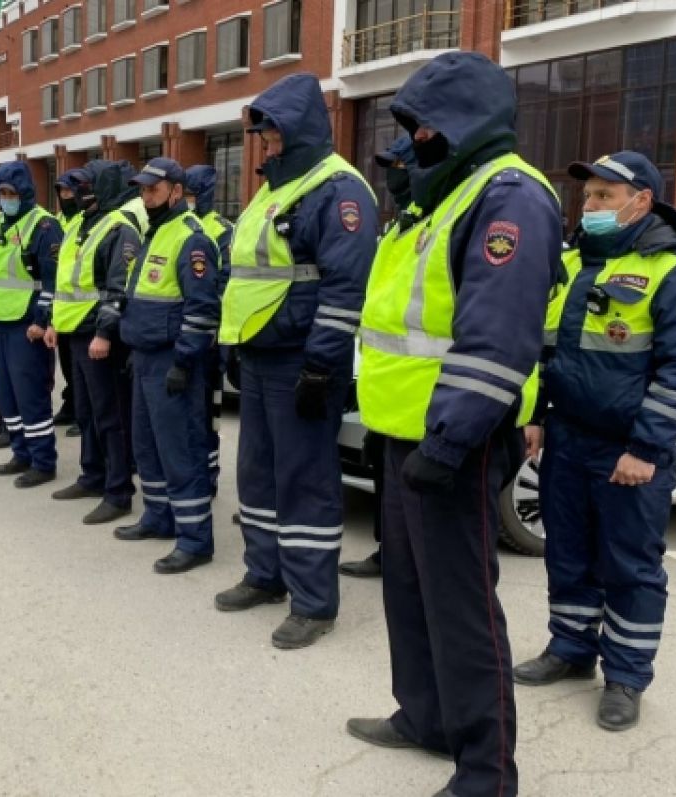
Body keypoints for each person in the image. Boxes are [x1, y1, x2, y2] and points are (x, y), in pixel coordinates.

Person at [349, 52, 563, 797]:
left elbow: (495, 339)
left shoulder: (510, 196)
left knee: (462, 609)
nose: (414, 140)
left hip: (457, 444)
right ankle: (425, 716)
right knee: (408, 590)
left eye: (423, 125)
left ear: (466, 121)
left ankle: (485, 772)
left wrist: (448, 440)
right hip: (406, 434)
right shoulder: (446, 196)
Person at [513, 152, 676, 732]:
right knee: (567, 553)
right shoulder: (577, 264)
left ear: (641, 201)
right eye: (589, 196)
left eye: (604, 196)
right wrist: (538, 414)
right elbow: (552, 350)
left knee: (629, 567)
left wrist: (645, 450)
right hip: (568, 441)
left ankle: (626, 676)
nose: (590, 206)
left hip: (628, 449)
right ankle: (571, 648)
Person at [213, 73, 379, 650]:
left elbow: (344, 288)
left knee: (305, 480)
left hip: (302, 358)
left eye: (275, 132)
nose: (266, 143)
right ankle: (265, 574)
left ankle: (312, 603)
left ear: (301, 127)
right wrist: (235, 345)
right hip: (261, 353)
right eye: (262, 133)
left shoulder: (340, 188)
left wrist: (321, 365)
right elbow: (250, 276)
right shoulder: (275, 188)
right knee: (257, 474)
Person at [116, 158, 220, 574]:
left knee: (181, 450)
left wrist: (183, 361)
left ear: (176, 191)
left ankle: (195, 539)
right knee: (147, 445)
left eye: (153, 191)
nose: (146, 197)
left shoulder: (191, 239)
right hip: (144, 357)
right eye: (142, 191)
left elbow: (201, 308)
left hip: (173, 362)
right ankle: (158, 517)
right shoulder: (153, 232)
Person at [339, 134, 418, 580]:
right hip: (386, 388)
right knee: (388, 486)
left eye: (399, 166)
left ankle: (406, 564)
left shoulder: (434, 226)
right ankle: (388, 555)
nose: (392, 176)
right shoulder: (398, 228)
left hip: (422, 393)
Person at [44, 160, 140, 525]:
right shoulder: (81, 225)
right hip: (74, 331)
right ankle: (91, 475)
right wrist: (54, 321)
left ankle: (118, 492)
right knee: (85, 412)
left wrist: (103, 333)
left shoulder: (118, 228)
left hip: (99, 336)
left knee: (110, 415)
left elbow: (118, 289)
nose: (79, 192)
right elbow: (66, 282)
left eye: (87, 185)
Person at [0, 162, 63, 486]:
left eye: (11, 193)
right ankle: (21, 452)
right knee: (6, 394)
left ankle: (43, 461)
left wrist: (42, 321)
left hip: (26, 324)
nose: (6, 199)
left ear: (25, 193)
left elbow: (52, 281)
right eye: (1, 193)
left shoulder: (43, 226)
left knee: (31, 395)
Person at [183, 164, 233, 493]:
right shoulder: (178, 226)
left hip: (211, 335)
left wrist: (215, 326)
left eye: (192, 195)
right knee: (187, 411)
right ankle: (190, 471)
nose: (187, 201)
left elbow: (226, 280)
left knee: (208, 410)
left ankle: (209, 475)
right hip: (183, 332)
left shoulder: (220, 229)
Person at [52, 168, 87, 436]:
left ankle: (79, 411)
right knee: (67, 363)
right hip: (62, 304)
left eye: (70, 190)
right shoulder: (60, 220)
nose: (66, 196)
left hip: (82, 308)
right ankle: (70, 403)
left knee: (80, 369)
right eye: (62, 191)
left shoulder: (86, 219)